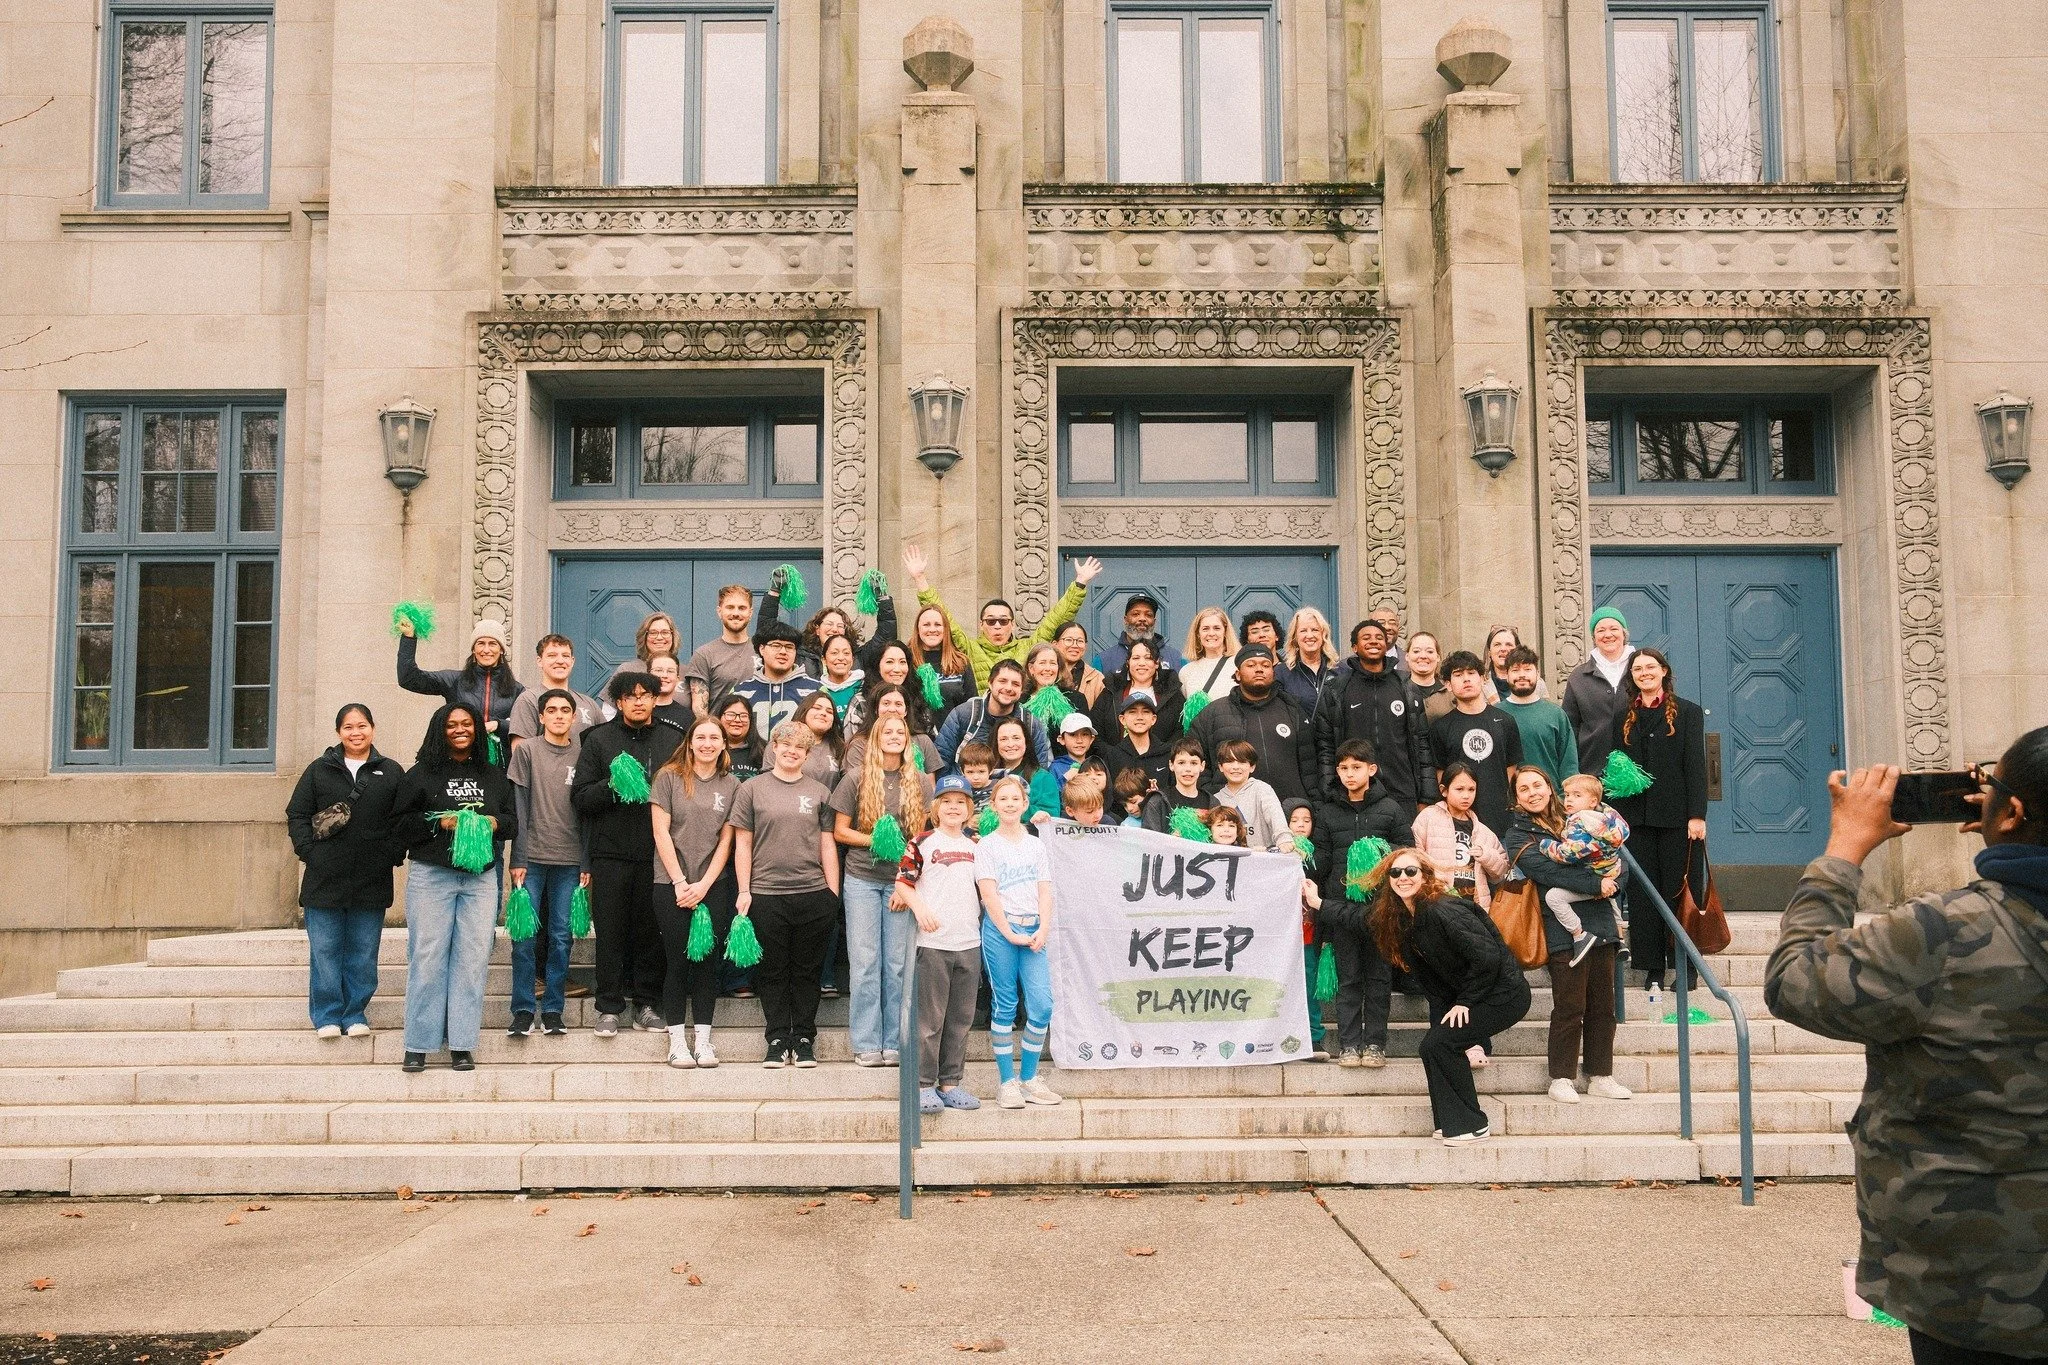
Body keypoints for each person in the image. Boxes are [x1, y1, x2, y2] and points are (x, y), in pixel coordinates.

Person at [1766, 739, 2048, 1364]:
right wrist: (2012, 832)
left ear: (2010, 811)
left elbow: (1795, 981)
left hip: (1975, 1282)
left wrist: (1844, 849)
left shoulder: (1942, 933)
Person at [1369, 849, 1532, 1146]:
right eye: (1395, 873)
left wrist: (1465, 1001)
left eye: (1410, 872)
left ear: (1425, 875)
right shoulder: (1404, 918)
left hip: (1504, 994)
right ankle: (1449, 1122)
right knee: (1432, 1046)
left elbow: (1487, 957)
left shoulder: (1443, 909)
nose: (1403, 878)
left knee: (1440, 1044)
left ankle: (1473, 1124)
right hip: (1475, 993)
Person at [391, 702, 515, 1072]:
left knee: (473, 959)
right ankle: (419, 1043)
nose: (460, 729)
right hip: (433, 876)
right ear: (439, 730)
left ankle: (462, 1043)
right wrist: (439, 823)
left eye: (466, 724)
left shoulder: (494, 775)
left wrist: (494, 823)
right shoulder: (421, 774)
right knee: (428, 956)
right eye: (451, 725)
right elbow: (399, 824)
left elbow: (512, 822)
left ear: (477, 729)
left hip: (480, 878)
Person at [1505, 766, 1629, 1106]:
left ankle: (1601, 1075)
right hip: (1561, 927)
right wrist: (1596, 883)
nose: (1532, 792)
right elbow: (1547, 870)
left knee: (1604, 1006)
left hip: (1601, 920)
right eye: (1523, 789)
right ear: (1516, 798)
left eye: (1538, 785)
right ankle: (1561, 1077)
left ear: (1550, 787)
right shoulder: (1518, 835)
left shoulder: (1581, 813)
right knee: (1570, 1005)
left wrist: (1614, 882)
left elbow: (1617, 855)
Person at [570, 671, 685, 1037]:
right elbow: (581, 797)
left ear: (655, 698)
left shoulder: (672, 739)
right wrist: (613, 785)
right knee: (611, 931)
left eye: (645, 694)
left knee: (651, 931)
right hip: (611, 852)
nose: (638, 701)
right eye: (630, 696)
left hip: (658, 853)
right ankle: (608, 1006)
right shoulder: (599, 740)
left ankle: (647, 1004)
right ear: (618, 702)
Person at [286, 704, 405, 1038]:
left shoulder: (391, 771)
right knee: (324, 950)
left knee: (364, 953)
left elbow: (404, 818)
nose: (356, 732)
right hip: (324, 878)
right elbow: (297, 813)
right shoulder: (319, 770)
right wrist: (308, 851)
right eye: (349, 727)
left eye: (363, 725)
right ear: (339, 732)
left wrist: (392, 854)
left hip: (372, 877)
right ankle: (326, 1015)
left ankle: (355, 1013)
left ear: (373, 729)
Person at [729, 721, 841, 1068]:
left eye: (800, 749)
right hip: (766, 893)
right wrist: (744, 890)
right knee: (773, 970)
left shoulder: (820, 792)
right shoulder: (751, 789)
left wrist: (832, 893)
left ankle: (804, 1038)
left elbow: (827, 843)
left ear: (807, 755)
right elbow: (743, 842)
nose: (792, 752)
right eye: (786, 745)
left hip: (812, 892)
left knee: (807, 970)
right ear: (774, 747)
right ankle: (777, 1037)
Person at [830, 714, 933, 1067]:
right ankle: (865, 1042)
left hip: (900, 882)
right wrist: (876, 839)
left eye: (900, 732)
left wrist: (905, 884)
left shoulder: (920, 781)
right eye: (887, 731)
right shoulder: (855, 778)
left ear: (908, 740)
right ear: (875, 738)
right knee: (864, 962)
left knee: (897, 964)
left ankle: (895, 1040)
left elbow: (920, 839)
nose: (894, 736)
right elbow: (840, 831)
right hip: (861, 878)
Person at [1606, 647, 1708, 995]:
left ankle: (1687, 967)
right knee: (1644, 895)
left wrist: (1697, 815)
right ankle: (1651, 968)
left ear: (1664, 671)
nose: (1644, 672)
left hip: (1679, 820)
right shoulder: (1622, 715)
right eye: (1637, 669)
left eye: (1651, 667)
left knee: (1681, 892)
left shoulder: (1689, 713)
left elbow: (1696, 767)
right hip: (1636, 821)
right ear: (1631, 676)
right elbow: (1616, 767)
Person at [1313, 739, 1417, 1067]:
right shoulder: (1328, 811)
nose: (1349, 774)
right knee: (1349, 978)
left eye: (1356, 767)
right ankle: (1348, 1044)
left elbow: (1405, 852)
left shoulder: (1390, 809)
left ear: (1371, 769)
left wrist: (1377, 855)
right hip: (1342, 910)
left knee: (1378, 978)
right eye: (1343, 768)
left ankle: (1375, 1044)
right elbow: (1322, 859)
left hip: (1381, 909)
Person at [651, 716, 740, 1069]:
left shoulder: (732, 785)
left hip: (712, 887)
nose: (706, 743)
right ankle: (676, 1043)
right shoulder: (669, 778)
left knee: (706, 965)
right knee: (677, 963)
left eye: (713, 738)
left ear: (723, 744)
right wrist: (680, 882)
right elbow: (661, 833)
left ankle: (703, 1040)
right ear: (690, 743)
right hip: (670, 885)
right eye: (700, 737)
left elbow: (726, 841)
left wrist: (704, 885)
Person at [504, 690, 590, 1038]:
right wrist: (518, 856)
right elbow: (519, 807)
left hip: (570, 862)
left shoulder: (584, 755)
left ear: (574, 717)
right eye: (551, 710)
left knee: (560, 937)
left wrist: (586, 860)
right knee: (524, 938)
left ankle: (553, 1010)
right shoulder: (526, 751)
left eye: (564, 710)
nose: (557, 715)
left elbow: (588, 813)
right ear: (540, 717)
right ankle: (523, 1009)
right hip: (532, 860)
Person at [900, 773, 986, 1115]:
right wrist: (920, 908)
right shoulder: (922, 842)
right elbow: (904, 884)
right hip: (933, 942)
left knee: (960, 1018)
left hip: (969, 941)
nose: (953, 807)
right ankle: (922, 1084)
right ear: (936, 807)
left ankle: (950, 1082)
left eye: (960, 802)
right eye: (947, 801)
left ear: (968, 809)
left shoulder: (978, 845)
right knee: (930, 1020)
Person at [905, 541, 1102, 690]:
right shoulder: (969, 648)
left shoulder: (1028, 647)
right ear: (981, 625)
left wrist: (1080, 583)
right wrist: (920, 579)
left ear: (1013, 625)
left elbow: (1056, 620)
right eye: (991, 621)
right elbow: (942, 618)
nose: (997, 626)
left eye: (1003, 621)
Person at [976, 774, 1061, 1109]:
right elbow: (988, 893)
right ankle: (1007, 1082)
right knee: (1006, 1004)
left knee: (1042, 1005)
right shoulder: (987, 845)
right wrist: (1009, 932)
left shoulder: (1036, 844)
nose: (1010, 804)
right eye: (1003, 799)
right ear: (994, 805)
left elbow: (1045, 888)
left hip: (1033, 928)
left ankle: (1029, 1078)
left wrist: (1044, 928)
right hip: (1002, 931)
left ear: (1025, 804)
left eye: (1016, 799)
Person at [1313, 618, 1438, 809]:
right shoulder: (1336, 689)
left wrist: (1427, 796)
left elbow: (1421, 743)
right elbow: (1326, 746)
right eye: (1366, 637)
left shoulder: (1406, 686)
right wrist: (1330, 791)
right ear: (1355, 647)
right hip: (1354, 795)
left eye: (1379, 637)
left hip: (1402, 792)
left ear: (1387, 644)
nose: (1373, 641)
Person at [1186, 643, 1315, 803]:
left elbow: (1310, 765)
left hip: (1290, 811)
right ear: (1238, 674)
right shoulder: (1213, 713)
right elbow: (1192, 757)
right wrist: (1211, 796)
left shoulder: (1292, 709)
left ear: (1273, 673)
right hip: (1234, 816)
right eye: (1251, 665)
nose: (1259, 669)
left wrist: (1312, 804)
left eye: (1266, 665)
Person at [396, 617, 523, 766]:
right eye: (480, 643)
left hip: (500, 766)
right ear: (473, 649)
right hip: (458, 761)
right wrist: (409, 638)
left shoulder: (517, 689)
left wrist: (498, 725)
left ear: (501, 649)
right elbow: (409, 679)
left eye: (493, 644)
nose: (486, 650)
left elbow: (529, 726)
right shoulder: (454, 680)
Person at [1429, 651, 1525, 839]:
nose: (1466, 679)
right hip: (1459, 823)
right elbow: (1442, 777)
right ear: (1448, 684)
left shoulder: (1505, 721)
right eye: (1458, 675)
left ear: (1482, 678)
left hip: (1500, 820)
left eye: (1471, 673)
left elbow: (1511, 771)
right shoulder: (1440, 727)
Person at [1537, 773, 1630, 966]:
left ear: (1592, 801)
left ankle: (1579, 934)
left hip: (1593, 878)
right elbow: (1624, 832)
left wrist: (1546, 845)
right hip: (1612, 872)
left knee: (1554, 897)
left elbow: (1569, 854)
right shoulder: (1608, 816)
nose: (1569, 799)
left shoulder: (1578, 822)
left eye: (1577, 795)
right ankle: (1621, 940)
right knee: (1611, 898)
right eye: (1567, 794)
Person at [1412, 762, 1511, 908]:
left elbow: (1501, 873)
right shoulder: (1428, 817)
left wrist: (1485, 855)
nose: (1466, 795)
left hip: (1474, 905)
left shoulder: (1483, 831)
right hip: (1437, 901)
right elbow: (1415, 855)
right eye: (1459, 789)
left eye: (1471, 789)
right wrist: (1433, 884)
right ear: (1444, 790)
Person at [934, 658, 1052, 772]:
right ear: (990, 683)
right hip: (966, 788)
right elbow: (941, 760)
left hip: (1016, 789)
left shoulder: (1030, 723)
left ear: (1021, 691)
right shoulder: (964, 714)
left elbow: (1039, 769)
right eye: (1002, 681)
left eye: (1015, 684)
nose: (1008, 688)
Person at [1561, 606, 1636, 778]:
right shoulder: (1579, 677)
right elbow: (1570, 727)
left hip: (1638, 772)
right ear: (1594, 638)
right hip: (1592, 771)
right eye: (1601, 630)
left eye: (1614, 629)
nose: (1607, 634)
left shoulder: (1642, 669)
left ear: (1624, 634)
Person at [1498, 645, 1578, 790]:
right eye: (1515, 670)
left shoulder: (1555, 714)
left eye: (1527, 669)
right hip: (1508, 805)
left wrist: (1565, 799)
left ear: (1537, 673)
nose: (1521, 675)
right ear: (1507, 675)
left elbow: (1569, 765)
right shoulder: (1495, 714)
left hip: (1551, 802)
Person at [1285, 800, 1329, 1060]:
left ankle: (1314, 1038)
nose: (1301, 825)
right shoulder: (1272, 852)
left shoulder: (1320, 855)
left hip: (1308, 932)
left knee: (1309, 984)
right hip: (1279, 935)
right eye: (1294, 820)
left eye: (1306, 820)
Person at [506, 634, 609, 741]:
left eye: (565, 656)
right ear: (539, 661)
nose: (560, 661)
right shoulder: (528, 700)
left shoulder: (589, 704)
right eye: (552, 655)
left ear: (572, 661)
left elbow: (607, 743)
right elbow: (521, 752)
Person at [733, 619, 822, 740]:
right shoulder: (740, 691)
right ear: (762, 649)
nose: (783, 652)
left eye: (789, 647)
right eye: (776, 645)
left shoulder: (816, 690)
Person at [1090, 638, 1186, 746]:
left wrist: (1161, 756)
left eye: (1148, 658)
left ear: (1157, 663)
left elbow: (1180, 732)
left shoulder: (1171, 693)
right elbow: (1095, 730)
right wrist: (1113, 756)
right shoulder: (1111, 691)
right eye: (1136, 658)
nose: (1141, 663)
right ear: (1128, 663)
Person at [683, 585, 758, 713]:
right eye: (730, 607)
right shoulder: (705, 654)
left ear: (750, 613)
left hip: (759, 732)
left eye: (742, 608)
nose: (736, 613)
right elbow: (699, 710)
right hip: (719, 731)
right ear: (719, 611)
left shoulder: (763, 651)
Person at [843, 682, 943, 776]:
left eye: (898, 704)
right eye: (886, 703)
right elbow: (856, 786)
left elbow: (931, 787)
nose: (892, 709)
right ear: (875, 709)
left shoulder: (922, 741)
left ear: (906, 711)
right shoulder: (859, 745)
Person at [1211, 738, 1288, 849]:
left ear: (1252, 767)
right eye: (1230, 761)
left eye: (1242, 762)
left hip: (1263, 858)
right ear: (1220, 767)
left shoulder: (1262, 789)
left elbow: (1275, 817)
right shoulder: (1216, 799)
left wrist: (1284, 839)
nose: (1235, 767)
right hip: (1229, 862)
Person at [991, 715, 1061, 826]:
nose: (1010, 744)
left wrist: (1002, 812)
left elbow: (1051, 814)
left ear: (1026, 742)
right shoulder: (984, 776)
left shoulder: (1043, 778)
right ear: (996, 743)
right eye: (1003, 739)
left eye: (1016, 738)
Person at [907, 600, 974, 714]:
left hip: (954, 731)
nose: (932, 629)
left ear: (945, 629)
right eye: (926, 625)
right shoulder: (906, 661)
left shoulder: (961, 662)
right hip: (915, 731)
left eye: (937, 625)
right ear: (918, 629)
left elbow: (972, 706)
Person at [1098, 690, 1172, 791]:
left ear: (1153, 719)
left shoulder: (1168, 753)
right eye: (1132, 712)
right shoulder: (1112, 756)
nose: (1139, 717)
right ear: (1122, 719)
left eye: (1145, 712)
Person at [1097, 590, 1184, 674]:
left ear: (1154, 621)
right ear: (1125, 620)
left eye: (1148, 615)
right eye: (1135, 614)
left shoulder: (1177, 659)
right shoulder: (1103, 660)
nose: (1142, 618)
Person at [1141, 737, 1214, 832]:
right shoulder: (1158, 801)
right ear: (1171, 765)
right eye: (1181, 763)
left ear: (1202, 766)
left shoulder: (1212, 802)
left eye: (1194, 763)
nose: (1188, 769)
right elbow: (1150, 840)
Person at [1278, 607, 1337, 716]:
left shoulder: (1340, 670)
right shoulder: (1281, 673)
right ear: (1295, 637)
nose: (1309, 636)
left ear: (1323, 635)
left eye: (1315, 630)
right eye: (1303, 630)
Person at [1180, 606, 1239, 701]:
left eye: (1217, 628)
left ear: (1225, 632)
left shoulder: (1238, 665)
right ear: (1198, 634)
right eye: (1205, 629)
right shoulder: (1186, 672)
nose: (1211, 633)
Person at [1480, 625, 1548, 704]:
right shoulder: (1480, 683)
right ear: (1489, 652)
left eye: (1508, 644)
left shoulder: (1537, 683)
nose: (1503, 649)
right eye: (1497, 644)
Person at [1022, 642, 1090, 721]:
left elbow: (1083, 732)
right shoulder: (1020, 701)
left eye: (1053, 663)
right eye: (1042, 663)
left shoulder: (1076, 700)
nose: (1048, 668)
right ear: (1031, 668)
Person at [612, 611, 680, 684]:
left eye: (665, 632)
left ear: (673, 636)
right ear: (644, 637)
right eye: (653, 633)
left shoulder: (685, 672)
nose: (659, 637)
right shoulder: (627, 670)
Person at [795, 691, 845, 789]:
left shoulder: (841, 748)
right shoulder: (781, 743)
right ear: (803, 711)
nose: (823, 713)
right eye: (817, 708)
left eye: (829, 712)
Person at [1052, 621, 1107, 708]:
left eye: (1080, 641)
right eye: (1068, 640)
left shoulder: (1097, 678)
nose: (1075, 645)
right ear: (1055, 644)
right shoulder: (1045, 673)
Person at [714, 692, 764, 781]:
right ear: (719, 717)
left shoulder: (764, 750)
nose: (737, 720)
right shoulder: (710, 749)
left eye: (744, 716)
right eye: (730, 714)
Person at [1405, 632, 1452, 723]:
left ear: (1438, 657)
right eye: (1416, 651)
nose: (1423, 656)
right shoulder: (1397, 690)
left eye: (1430, 651)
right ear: (1407, 656)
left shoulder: (1450, 691)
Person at [816, 634, 864, 719]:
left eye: (846, 653)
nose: (841, 658)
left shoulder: (865, 686)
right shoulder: (817, 689)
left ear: (852, 659)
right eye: (834, 653)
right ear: (824, 660)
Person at [648, 654, 693, 730]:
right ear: (648, 675)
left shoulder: (687, 716)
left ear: (678, 678)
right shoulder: (637, 710)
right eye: (658, 670)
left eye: (670, 671)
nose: (664, 675)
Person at [1051, 713, 1097, 785]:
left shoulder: (1096, 766)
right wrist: (1064, 779)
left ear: (1091, 739)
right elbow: (1051, 794)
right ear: (1062, 739)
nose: (1079, 740)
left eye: (1085, 734)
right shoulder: (1056, 768)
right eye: (1072, 734)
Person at [956, 741, 997, 813]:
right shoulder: (960, 790)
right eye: (970, 772)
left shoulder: (999, 787)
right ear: (962, 771)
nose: (975, 777)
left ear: (991, 771)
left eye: (981, 772)